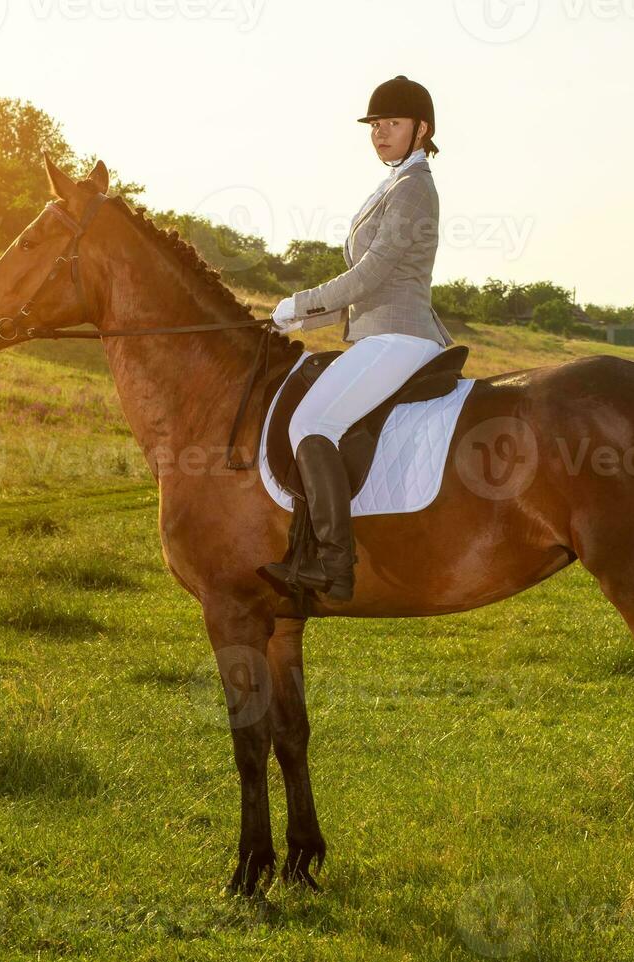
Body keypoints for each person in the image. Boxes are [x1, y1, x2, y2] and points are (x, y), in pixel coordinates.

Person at [259, 75, 455, 603]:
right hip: (379, 331)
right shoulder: (395, 181)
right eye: (375, 125)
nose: (380, 133)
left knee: (310, 423)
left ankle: (333, 565)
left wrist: (299, 305)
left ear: (421, 130)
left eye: (392, 124)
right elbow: (369, 288)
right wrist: (298, 322)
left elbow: (370, 277)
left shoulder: (413, 186)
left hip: (400, 335)